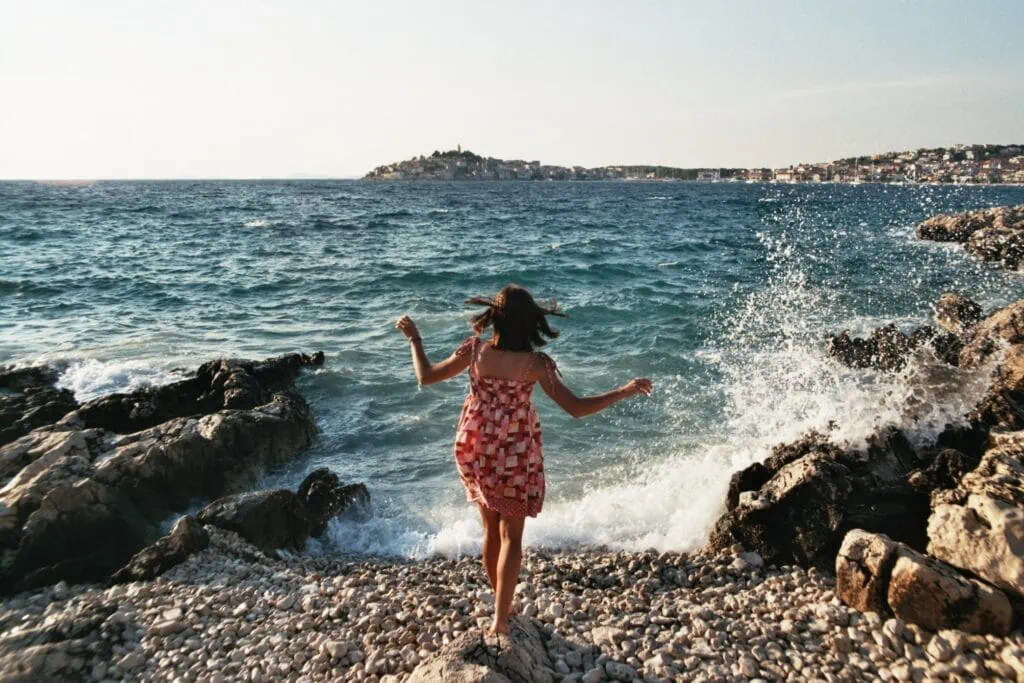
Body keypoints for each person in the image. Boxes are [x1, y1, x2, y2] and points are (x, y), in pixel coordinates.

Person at [395, 284, 652, 636]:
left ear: (495, 318)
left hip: (475, 449)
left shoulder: (474, 351)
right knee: (511, 537)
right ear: (529, 323)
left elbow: (426, 376)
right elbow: (576, 408)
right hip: (514, 453)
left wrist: (415, 339)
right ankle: (501, 619)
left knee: (490, 531)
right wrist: (623, 390)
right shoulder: (535, 365)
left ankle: (502, 605)